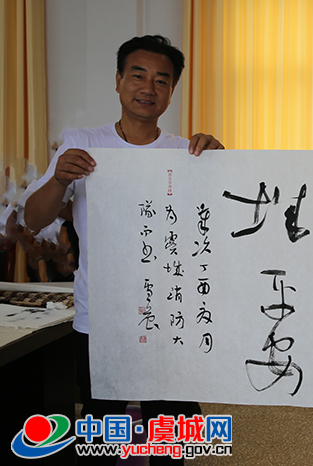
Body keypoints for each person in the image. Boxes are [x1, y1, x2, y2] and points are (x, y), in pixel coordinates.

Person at [22, 35, 224, 466]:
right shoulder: (82, 143)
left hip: (170, 317)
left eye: (161, 80)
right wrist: (58, 179)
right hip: (102, 317)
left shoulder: (187, 152)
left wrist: (223, 168)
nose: (148, 88)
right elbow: (34, 219)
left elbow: (218, 227)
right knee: (101, 430)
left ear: (172, 90)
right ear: (118, 80)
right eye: (138, 75)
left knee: (171, 430)